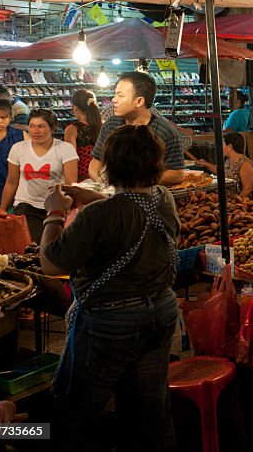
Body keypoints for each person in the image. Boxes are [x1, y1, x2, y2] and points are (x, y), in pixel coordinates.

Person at [41, 125, 180, 452]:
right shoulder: (165, 199)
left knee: (79, 411)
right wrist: (99, 198)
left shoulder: (99, 215)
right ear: (155, 164)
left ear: (110, 166)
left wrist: (54, 212)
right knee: (149, 411)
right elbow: (134, 205)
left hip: (111, 323)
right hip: (161, 313)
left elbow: (51, 264)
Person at [89, 72, 186, 186]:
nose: (114, 100)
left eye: (120, 95)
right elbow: (95, 164)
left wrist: (136, 181)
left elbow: (177, 174)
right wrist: (105, 184)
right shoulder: (111, 125)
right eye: (115, 94)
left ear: (139, 101)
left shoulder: (164, 131)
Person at [0, 109, 79, 243]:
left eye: (41, 126)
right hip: (26, 204)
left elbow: (70, 184)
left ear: (52, 128)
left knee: (53, 245)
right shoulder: (18, 148)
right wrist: (1, 211)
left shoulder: (65, 149)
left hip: (54, 206)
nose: (35, 131)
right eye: (32, 126)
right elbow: (11, 182)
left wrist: (68, 209)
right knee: (34, 243)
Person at [196, 133, 253, 197]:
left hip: (236, 202)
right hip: (224, 198)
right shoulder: (228, 160)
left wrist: (234, 203)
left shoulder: (245, 163)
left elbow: (248, 189)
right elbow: (220, 171)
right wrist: (205, 164)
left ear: (230, 147)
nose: (220, 147)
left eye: (223, 144)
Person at [64, 90, 102, 181]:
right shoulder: (104, 126)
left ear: (75, 107)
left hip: (82, 178)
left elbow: (71, 160)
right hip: (102, 176)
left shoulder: (72, 130)